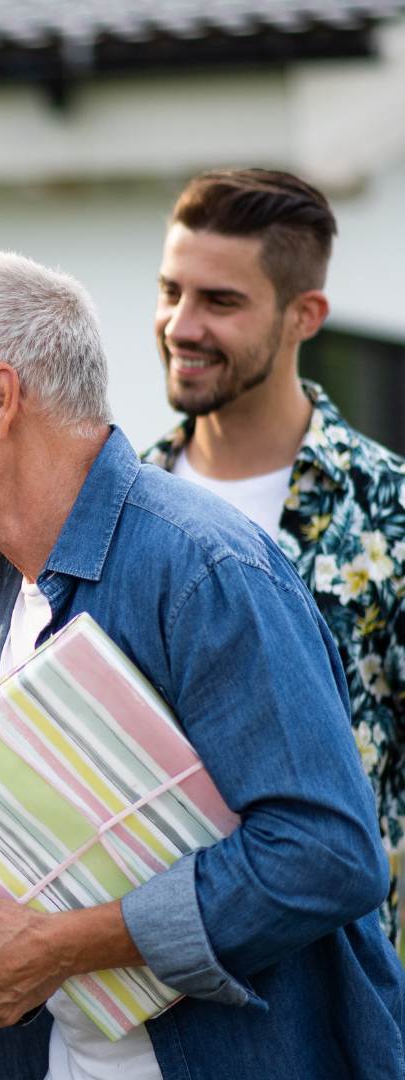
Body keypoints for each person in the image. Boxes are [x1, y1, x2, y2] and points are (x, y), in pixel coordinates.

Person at [0, 253, 405, 1079]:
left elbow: (326, 854)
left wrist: (52, 948)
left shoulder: (205, 569)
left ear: (0, 397)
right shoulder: (5, 571)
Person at [142, 167, 405, 941]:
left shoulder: (389, 514)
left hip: (331, 980)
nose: (180, 325)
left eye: (220, 302)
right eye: (171, 291)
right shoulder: (120, 506)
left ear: (304, 315)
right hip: (134, 969)